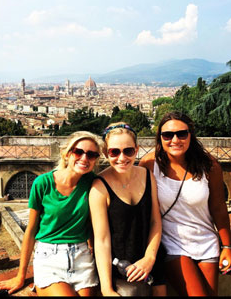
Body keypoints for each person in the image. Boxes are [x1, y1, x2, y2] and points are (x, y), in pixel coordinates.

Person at [0, 131, 101, 296]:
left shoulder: (93, 183)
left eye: (91, 154)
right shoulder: (43, 183)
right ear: (67, 154)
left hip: (81, 257)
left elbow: (92, 222)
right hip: (50, 257)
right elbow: (31, 230)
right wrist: (21, 276)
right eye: (79, 152)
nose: (84, 158)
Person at [139, 111, 231, 296]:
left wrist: (227, 247)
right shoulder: (149, 165)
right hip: (172, 243)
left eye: (181, 134)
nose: (175, 140)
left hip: (206, 243)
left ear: (190, 135)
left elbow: (219, 208)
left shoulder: (209, 166)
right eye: (167, 135)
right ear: (160, 138)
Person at [89, 122, 165, 296]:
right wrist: (106, 288)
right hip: (119, 268)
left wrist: (149, 258)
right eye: (114, 152)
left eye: (128, 151)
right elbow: (101, 240)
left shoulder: (147, 176)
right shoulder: (99, 187)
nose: (122, 158)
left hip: (151, 261)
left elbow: (155, 221)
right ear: (105, 153)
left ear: (136, 150)